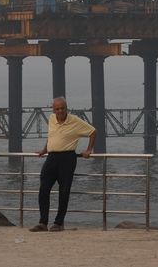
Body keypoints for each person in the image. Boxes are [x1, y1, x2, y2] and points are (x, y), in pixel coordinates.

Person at [28, 97, 96, 232]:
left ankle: (59, 223)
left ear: (67, 108)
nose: (60, 111)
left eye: (62, 108)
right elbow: (52, 136)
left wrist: (89, 150)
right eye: (57, 108)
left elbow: (93, 131)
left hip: (67, 158)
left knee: (64, 191)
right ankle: (43, 222)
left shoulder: (75, 121)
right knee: (43, 189)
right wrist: (44, 149)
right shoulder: (52, 118)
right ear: (53, 109)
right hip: (51, 157)